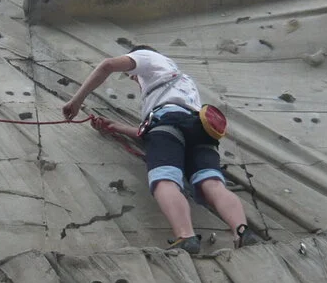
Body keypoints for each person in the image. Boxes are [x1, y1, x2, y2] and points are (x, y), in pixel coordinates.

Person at [62, 46, 249, 255]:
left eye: (132, 75)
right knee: (212, 183)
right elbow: (161, 131)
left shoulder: (149, 57)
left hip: (169, 122)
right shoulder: (182, 81)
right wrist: (116, 127)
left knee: (165, 180)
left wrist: (76, 101)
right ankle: (242, 232)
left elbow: (107, 65)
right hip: (201, 128)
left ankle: (186, 236)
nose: (134, 79)